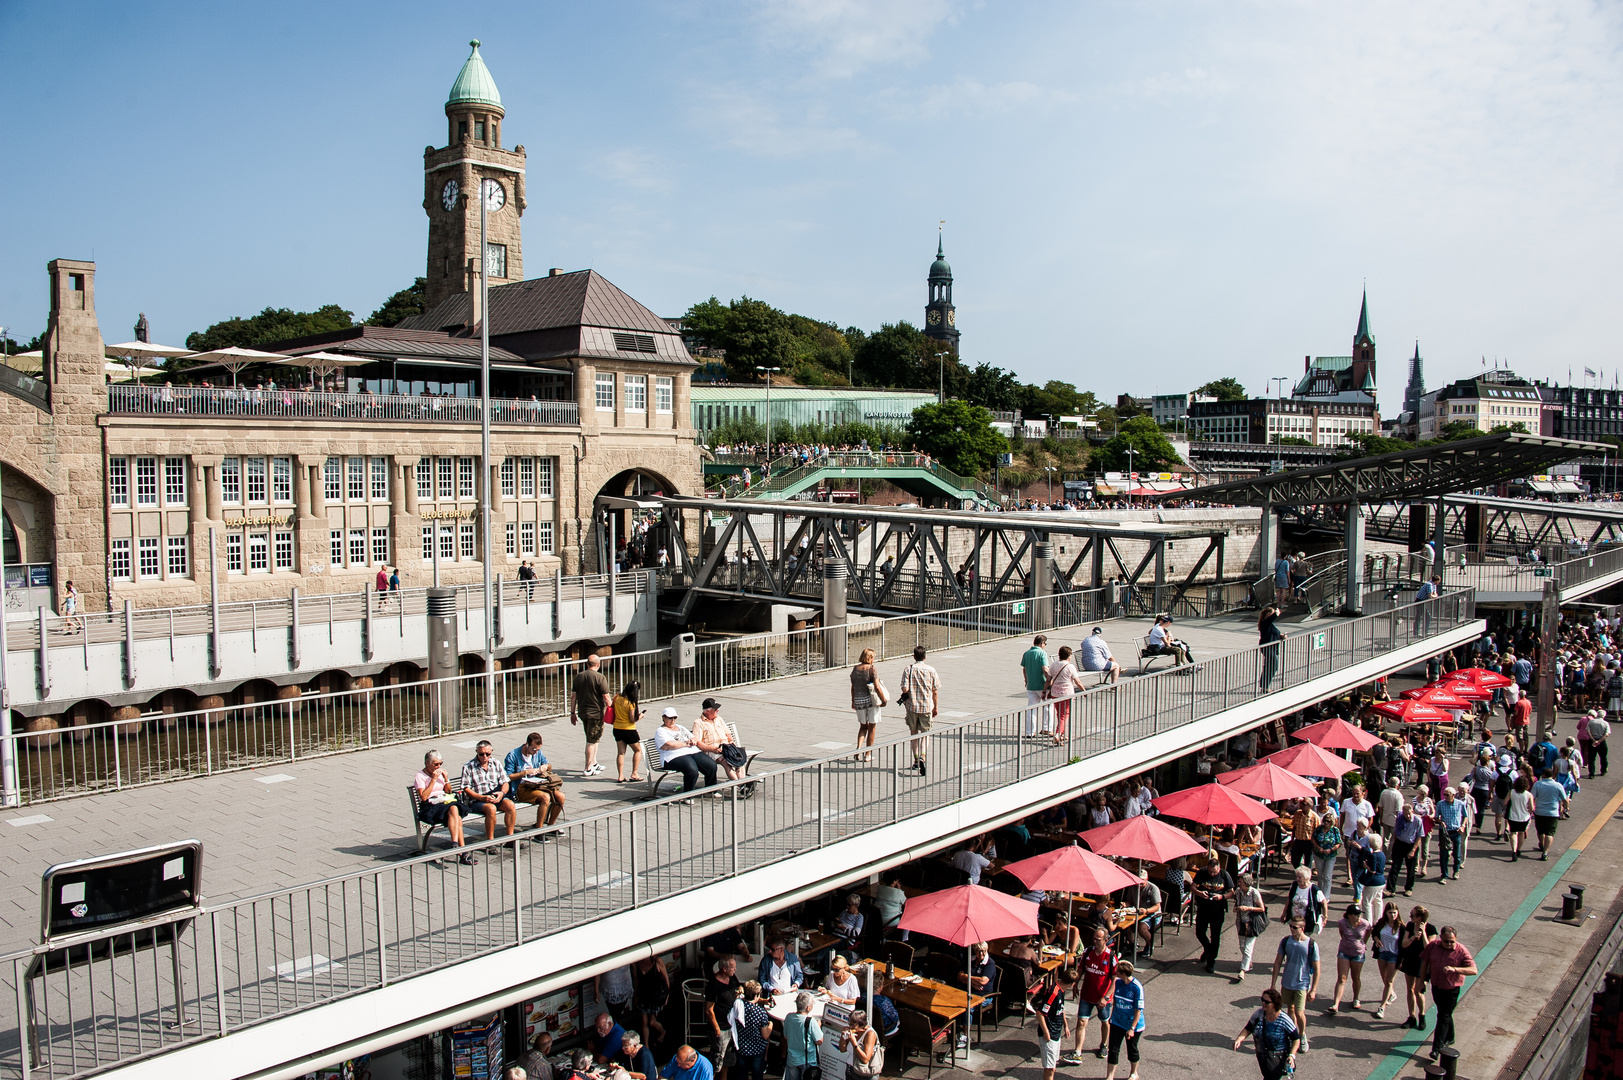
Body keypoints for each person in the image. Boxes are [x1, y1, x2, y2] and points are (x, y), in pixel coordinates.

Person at [1420, 926, 1477, 1063]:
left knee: (1443, 1016)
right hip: (1437, 986)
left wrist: (1455, 969)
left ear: (1456, 939)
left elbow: (1473, 970)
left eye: (1452, 941)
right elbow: (1425, 963)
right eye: (1446, 941)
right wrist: (1422, 981)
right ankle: (1450, 1036)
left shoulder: (1461, 951)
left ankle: (1436, 1048)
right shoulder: (1433, 946)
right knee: (1444, 1013)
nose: (1449, 944)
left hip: (1451, 990)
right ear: (1441, 938)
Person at [1270, 917, 1320, 1054]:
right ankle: (1293, 1035)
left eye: (1295, 927)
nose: (1291, 929)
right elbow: (1277, 962)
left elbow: (1317, 968)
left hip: (1302, 984)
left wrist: (1313, 989)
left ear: (1302, 928)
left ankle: (1302, 1034)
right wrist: (1273, 984)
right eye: (1290, 926)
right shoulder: (1286, 941)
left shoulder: (1311, 944)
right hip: (1287, 982)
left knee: (1299, 1012)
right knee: (1290, 1010)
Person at [413, 750, 474, 865]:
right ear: (427, 763)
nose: (438, 766)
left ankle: (455, 845)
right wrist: (433, 780)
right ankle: (463, 851)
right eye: (435, 764)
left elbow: (449, 791)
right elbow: (424, 797)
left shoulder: (440, 773)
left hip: (444, 802)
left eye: (440, 763)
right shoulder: (420, 776)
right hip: (431, 806)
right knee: (456, 815)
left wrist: (446, 779)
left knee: (455, 810)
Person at [1069, 926, 1117, 1062]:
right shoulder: (1087, 952)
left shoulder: (1111, 957)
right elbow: (1080, 969)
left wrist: (1106, 997)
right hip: (1087, 995)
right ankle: (1077, 1051)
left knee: (1105, 1022)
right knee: (1081, 1022)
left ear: (1106, 940)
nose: (1095, 941)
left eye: (1098, 939)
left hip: (1103, 998)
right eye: (1094, 939)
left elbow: (1115, 980)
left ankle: (1104, 1045)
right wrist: (1075, 984)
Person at [1232, 988, 1301, 1080]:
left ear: (1275, 1004)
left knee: (1271, 1077)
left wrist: (1292, 1056)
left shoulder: (1284, 1020)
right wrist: (1239, 1039)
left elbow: (1296, 1039)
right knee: (1267, 1076)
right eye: (1262, 1000)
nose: (1263, 1003)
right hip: (1262, 1055)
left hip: (1278, 1057)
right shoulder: (1259, 1014)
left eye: (1267, 1002)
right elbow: (1248, 1028)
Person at [505, 732, 565, 832]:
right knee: (545, 797)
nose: (535, 752)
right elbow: (508, 777)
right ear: (526, 744)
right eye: (533, 749)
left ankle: (551, 826)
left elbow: (548, 765)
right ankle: (539, 830)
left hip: (537, 784)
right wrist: (525, 772)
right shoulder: (513, 755)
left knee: (560, 797)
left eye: (538, 749)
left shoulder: (538, 753)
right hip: (521, 788)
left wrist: (545, 767)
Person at [459, 740, 518, 839]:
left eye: (487, 754)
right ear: (477, 752)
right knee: (491, 808)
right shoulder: (468, 767)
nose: (484, 756)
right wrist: (482, 798)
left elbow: (505, 782)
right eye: (481, 754)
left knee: (510, 805)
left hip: (495, 794)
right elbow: (466, 789)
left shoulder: (495, 763)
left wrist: (502, 793)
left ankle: (510, 838)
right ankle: (490, 841)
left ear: (491, 752)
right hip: (478, 799)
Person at [898, 645, 940, 776]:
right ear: (925, 656)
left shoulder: (908, 669)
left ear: (914, 656)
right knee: (925, 733)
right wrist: (936, 707)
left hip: (912, 706)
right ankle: (923, 756)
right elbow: (935, 691)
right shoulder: (931, 670)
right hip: (927, 706)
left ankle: (916, 760)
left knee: (914, 733)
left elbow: (904, 689)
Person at [1192, 851, 1235, 974]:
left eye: (1214, 872)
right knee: (1200, 932)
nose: (1212, 874)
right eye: (1210, 871)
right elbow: (1193, 887)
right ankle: (1208, 948)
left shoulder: (1224, 875)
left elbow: (1231, 892)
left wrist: (1221, 897)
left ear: (1219, 868)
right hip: (1203, 908)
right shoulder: (1202, 873)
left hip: (1217, 910)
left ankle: (1211, 961)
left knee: (1215, 936)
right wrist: (1200, 893)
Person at [655, 708, 719, 792]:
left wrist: (692, 740)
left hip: (692, 751)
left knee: (711, 765)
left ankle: (711, 789)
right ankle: (688, 795)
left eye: (674, 718)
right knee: (692, 770)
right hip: (673, 756)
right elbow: (669, 744)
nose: (672, 720)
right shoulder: (661, 731)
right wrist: (685, 744)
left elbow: (693, 737)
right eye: (670, 718)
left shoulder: (680, 727)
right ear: (664, 718)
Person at [1102, 960, 1145, 1080]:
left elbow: (1138, 1010)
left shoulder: (1136, 987)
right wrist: (1112, 1016)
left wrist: (1132, 1028)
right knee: (1113, 1049)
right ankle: (1110, 1076)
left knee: (1132, 1049)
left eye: (1118, 971)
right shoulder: (1118, 983)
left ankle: (1134, 1073)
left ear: (1123, 973)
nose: (1115, 972)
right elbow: (1115, 1001)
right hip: (1117, 1021)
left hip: (1133, 1024)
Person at [571, 653, 612, 776]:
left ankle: (594, 762)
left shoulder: (579, 676)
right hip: (596, 713)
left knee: (594, 738)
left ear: (587, 664)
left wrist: (572, 713)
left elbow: (573, 697)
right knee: (591, 740)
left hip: (583, 712)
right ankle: (588, 768)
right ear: (598, 664)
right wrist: (613, 708)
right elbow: (606, 697)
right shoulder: (600, 678)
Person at [1325, 904, 1371, 1016]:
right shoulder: (1342, 923)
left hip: (1358, 954)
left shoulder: (1365, 924)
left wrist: (1363, 944)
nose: (1358, 916)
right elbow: (1342, 933)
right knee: (1342, 978)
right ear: (1349, 915)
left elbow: (1368, 933)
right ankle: (1336, 1004)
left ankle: (1356, 999)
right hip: (1344, 952)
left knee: (1355, 977)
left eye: (1359, 914)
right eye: (1356, 914)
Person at [1034, 965, 1078, 1080]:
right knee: (1050, 1068)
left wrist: (1066, 1026)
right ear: (1072, 984)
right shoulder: (1053, 993)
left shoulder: (1061, 990)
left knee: (1052, 1066)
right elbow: (1040, 1013)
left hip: (1056, 1032)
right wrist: (1046, 1032)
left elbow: (1061, 1009)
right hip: (1050, 1034)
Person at [1399, 905, 1437, 1029]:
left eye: (1413, 915)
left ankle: (1422, 1015)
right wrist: (1412, 937)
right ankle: (1412, 1016)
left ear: (1420, 917)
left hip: (1422, 962)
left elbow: (1429, 948)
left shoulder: (1431, 929)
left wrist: (1423, 932)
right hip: (1410, 959)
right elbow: (1404, 944)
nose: (1410, 917)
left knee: (1418, 991)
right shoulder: (1410, 926)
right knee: (1409, 989)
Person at [705, 956, 743, 1080]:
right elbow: (709, 1009)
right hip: (721, 1026)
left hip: (732, 1025)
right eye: (732, 968)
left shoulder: (732, 978)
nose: (735, 970)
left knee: (728, 1058)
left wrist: (740, 990)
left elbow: (739, 987)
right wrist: (716, 1028)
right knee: (717, 1059)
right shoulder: (713, 984)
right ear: (724, 969)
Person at [850, 647, 888, 761]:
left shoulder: (855, 669)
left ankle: (858, 748)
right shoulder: (872, 669)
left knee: (862, 726)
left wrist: (853, 700)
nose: (874, 660)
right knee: (872, 727)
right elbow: (876, 686)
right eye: (873, 658)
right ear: (870, 658)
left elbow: (853, 687)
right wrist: (883, 699)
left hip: (859, 701)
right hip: (872, 702)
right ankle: (867, 754)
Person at [693, 698, 745, 782]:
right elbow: (698, 743)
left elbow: (728, 733)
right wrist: (713, 749)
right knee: (725, 761)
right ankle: (740, 785)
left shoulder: (719, 719)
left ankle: (743, 782)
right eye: (715, 709)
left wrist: (731, 741)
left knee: (739, 759)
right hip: (712, 750)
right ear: (708, 711)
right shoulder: (698, 723)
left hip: (727, 748)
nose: (718, 710)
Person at [729, 981, 772, 1080]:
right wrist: (771, 1025)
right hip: (757, 1050)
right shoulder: (760, 1013)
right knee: (757, 1076)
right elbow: (765, 1035)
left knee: (741, 1075)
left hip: (741, 1048)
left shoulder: (737, 1006)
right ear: (756, 995)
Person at [1371, 901, 1404, 1020]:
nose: (1393, 915)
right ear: (1386, 913)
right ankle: (1392, 994)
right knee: (1384, 978)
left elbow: (1404, 944)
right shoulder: (1382, 923)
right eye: (1390, 912)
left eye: (1394, 912)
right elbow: (1374, 932)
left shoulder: (1401, 927)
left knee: (1389, 981)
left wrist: (1403, 960)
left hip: (1394, 956)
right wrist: (1376, 939)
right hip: (1382, 953)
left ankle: (1382, 1007)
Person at [1233, 871, 1268, 982]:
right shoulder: (1238, 892)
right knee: (1242, 946)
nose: (1239, 883)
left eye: (1241, 882)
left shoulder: (1254, 893)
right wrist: (1237, 908)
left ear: (1247, 883)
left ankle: (1243, 970)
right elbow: (1236, 904)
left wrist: (1248, 908)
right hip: (1241, 922)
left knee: (1248, 948)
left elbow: (1262, 908)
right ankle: (1249, 962)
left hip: (1252, 923)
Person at [1045, 646, 1081, 744]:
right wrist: (1083, 690)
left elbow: (1048, 679)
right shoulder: (1070, 666)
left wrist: (1045, 691)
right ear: (1068, 656)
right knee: (1064, 715)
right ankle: (1058, 734)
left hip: (1055, 693)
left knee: (1060, 714)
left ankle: (1062, 734)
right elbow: (1077, 681)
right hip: (1067, 694)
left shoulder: (1053, 665)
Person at [612, 680, 647, 783]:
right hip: (629, 730)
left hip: (617, 728)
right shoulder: (631, 703)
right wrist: (640, 716)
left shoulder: (617, 698)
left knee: (621, 753)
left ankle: (620, 775)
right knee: (638, 750)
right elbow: (632, 719)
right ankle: (634, 773)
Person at [782, 992, 822, 1080]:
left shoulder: (789, 1017)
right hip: (808, 1060)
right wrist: (818, 1027)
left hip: (792, 1059)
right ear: (808, 1008)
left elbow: (785, 1036)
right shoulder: (811, 1021)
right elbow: (819, 1041)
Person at [634, 954, 670, 1048]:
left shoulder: (657, 961)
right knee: (644, 1021)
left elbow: (666, 978)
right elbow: (637, 980)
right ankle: (646, 1046)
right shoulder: (638, 963)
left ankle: (662, 1031)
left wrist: (667, 995)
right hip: (643, 995)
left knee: (652, 1022)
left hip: (655, 995)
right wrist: (636, 995)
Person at [1532, 769, 1569, 860]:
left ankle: (1542, 844)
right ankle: (1545, 852)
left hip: (1539, 811)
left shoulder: (1538, 784)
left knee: (1540, 830)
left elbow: (1532, 797)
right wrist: (1566, 807)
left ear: (1543, 775)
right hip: (1552, 813)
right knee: (1550, 833)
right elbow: (1564, 798)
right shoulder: (1558, 785)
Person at [1280, 865, 1327, 936]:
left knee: (1303, 939)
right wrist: (1284, 913)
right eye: (1297, 877)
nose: (1298, 879)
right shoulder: (1294, 885)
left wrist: (1325, 916)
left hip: (1307, 922)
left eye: (1300, 877)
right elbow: (1289, 900)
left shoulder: (1314, 890)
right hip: (1294, 920)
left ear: (1306, 878)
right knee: (1295, 937)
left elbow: (1324, 902)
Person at [1021, 635, 1053, 736]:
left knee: (1031, 708)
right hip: (1042, 685)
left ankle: (1030, 731)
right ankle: (1046, 728)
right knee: (1047, 706)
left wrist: (1026, 680)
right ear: (1042, 643)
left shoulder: (1026, 653)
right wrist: (1049, 681)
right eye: (1045, 644)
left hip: (1031, 685)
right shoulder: (1042, 653)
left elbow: (1024, 668)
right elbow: (1045, 669)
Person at [1435, 785, 1466, 881]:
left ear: (1453, 795)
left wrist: (1463, 826)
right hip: (1444, 832)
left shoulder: (1460, 804)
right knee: (1443, 854)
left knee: (1456, 854)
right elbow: (1436, 817)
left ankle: (1456, 871)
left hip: (1456, 831)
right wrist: (1440, 822)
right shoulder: (1440, 804)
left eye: (1447, 795)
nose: (1445, 797)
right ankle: (1444, 875)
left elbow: (1465, 816)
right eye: (1444, 795)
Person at [1310, 807, 1343, 900]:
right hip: (1319, 854)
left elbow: (1339, 842)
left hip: (1330, 856)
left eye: (1328, 821)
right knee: (1320, 876)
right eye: (1325, 820)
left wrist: (1331, 849)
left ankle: (1326, 897)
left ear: (1331, 822)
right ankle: (1320, 894)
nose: (1326, 823)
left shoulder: (1335, 830)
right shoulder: (1319, 829)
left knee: (1327, 876)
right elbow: (1313, 838)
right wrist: (1318, 847)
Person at [838, 1010, 880, 1080]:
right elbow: (842, 1049)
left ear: (861, 1024)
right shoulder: (852, 1032)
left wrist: (854, 1043)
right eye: (849, 1024)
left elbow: (865, 1059)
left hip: (865, 1074)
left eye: (853, 1025)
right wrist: (843, 1036)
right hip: (850, 1070)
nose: (850, 1027)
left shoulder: (870, 1034)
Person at [1506, 773, 1534, 859]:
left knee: (1513, 833)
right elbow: (1531, 808)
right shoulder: (1529, 795)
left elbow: (1505, 802)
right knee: (1521, 833)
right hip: (1524, 817)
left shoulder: (1511, 792)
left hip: (1513, 816)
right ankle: (1518, 849)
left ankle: (1513, 851)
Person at [1258, 605, 1285, 691]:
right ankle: (1265, 686)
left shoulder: (1269, 624)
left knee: (1269, 666)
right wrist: (1276, 613)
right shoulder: (1265, 622)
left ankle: (1264, 685)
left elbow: (1273, 633)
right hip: (1268, 647)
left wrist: (1281, 636)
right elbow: (1271, 619)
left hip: (1271, 647)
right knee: (1273, 665)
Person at [833, 894, 866, 961]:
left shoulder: (859, 917)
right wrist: (836, 922)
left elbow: (856, 934)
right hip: (835, 936)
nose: (847, 907)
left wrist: (843, 928)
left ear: (856, 906)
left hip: (845, 939)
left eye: (849, 905)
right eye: (847, 904)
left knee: (827, 948)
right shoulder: (844, 912)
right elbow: (837, 923)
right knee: (825, 947)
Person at [1589, 709, 1611, 777]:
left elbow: (1588, 731)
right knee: (1603, 757)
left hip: (1592, 740)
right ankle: (1603, 771)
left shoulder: (1591, 722)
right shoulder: (1605, 723)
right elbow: (1606, 734)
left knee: (1591, 758)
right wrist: (1599, 741)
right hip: (1601, 741)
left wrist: (1593, 739)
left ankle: (1591, 773)